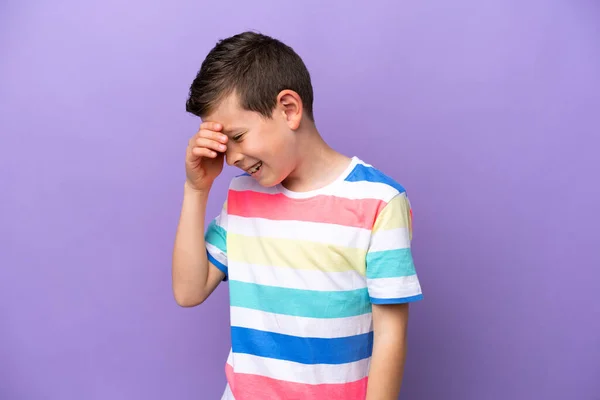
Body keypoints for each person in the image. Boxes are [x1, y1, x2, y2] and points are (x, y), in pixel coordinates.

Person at [172, 31, 423, 400]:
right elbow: (189, 291)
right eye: (225, 147)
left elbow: (390, 337)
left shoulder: (379, 202)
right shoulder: (242, 195)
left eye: (238, 137)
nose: (232, 159)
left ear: (289, 108)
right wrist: (197, 190)